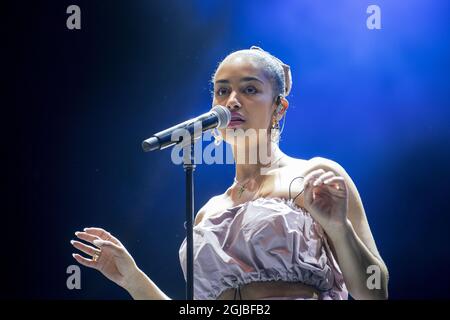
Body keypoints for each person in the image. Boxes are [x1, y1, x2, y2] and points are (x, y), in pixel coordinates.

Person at [71, 46, 389, 300]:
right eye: (222, 92)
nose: (232, 101)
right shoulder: (209, 212)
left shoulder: (314, 176)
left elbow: (375, 292)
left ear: (279, 108)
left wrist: (339, 228)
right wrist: (133, 279)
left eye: (249, 90)